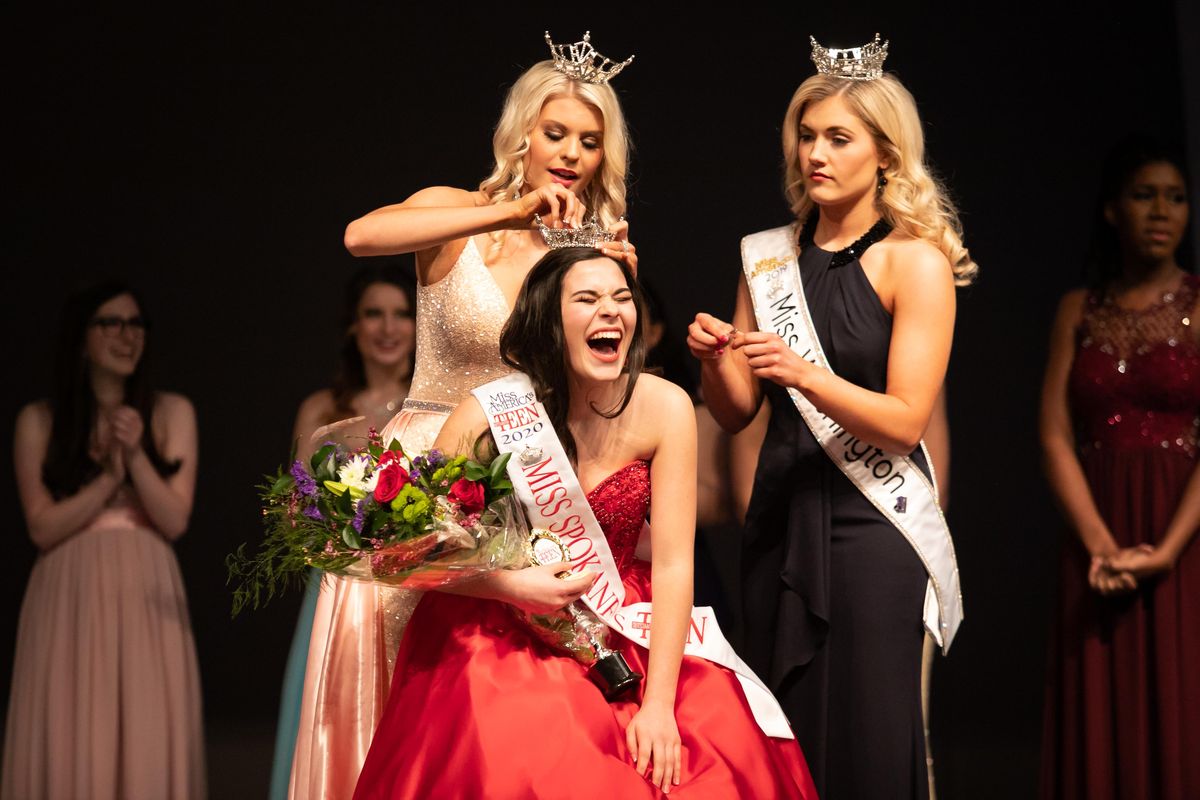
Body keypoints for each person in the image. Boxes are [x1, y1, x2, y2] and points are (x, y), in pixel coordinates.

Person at [288, 32, 639, 799]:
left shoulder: (583, 254)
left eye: (589, 141)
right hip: (419, 477)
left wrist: (618, 298)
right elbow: (360, 236)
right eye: (555, 134)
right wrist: (508, 210)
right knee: (382, 695)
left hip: (519, 486)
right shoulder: (456, 212)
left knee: (478, 720)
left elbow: (602, 387)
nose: (571, 153)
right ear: (519, 134)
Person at [353, 246, 816, 799]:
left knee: (712, 748)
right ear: (548, 321)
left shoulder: (665, 407)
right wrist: (508, 584)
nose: (612, 312)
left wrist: (659, 706)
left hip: (621, 614)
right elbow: (403, 556)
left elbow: (672, 564)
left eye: (623, 298)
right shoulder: (486, 415)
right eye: (588, 299)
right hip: (499, 626)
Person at [687, 35, 976, 798]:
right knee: (788, 735)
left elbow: (906, 421)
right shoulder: (767, 256)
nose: (816, 152)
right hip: (783, 523)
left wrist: (805, 375)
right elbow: (738, 410)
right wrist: (718, 361)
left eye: (838, 138)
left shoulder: (916, 260)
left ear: (884, 153)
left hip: (872, 528)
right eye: (806, 136)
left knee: (872, 738)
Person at [1038, 134, 1198, 800]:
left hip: (1185, 534)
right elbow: (1052, 432)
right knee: (1103, 717)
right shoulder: (1079, 310)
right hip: (1098, 535)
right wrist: (1101, 544)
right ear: (1112, 210)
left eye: (1177, 198)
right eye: (1144, 195)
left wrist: (1165, 551)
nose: (1162, 212)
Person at [3, 280, 205, 799]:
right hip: (68, 590)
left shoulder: (172, 412)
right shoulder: (40, 420)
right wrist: (109, 481)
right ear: (81, 337)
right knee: (72, 726)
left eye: (135, 324)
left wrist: (135, 456)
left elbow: (175, 519)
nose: (126, 335)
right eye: (110, 323)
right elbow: (42, 527)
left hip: (147, 587)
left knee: (145, 727)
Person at [269, 262, 416, 800]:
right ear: (353, 326)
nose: (387, 327)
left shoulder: (432, 405)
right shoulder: (321, 409)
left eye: (401, 314)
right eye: (373, 313)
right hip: (337, 586)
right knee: (334, 720)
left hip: (413, 583)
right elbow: (293, 509)